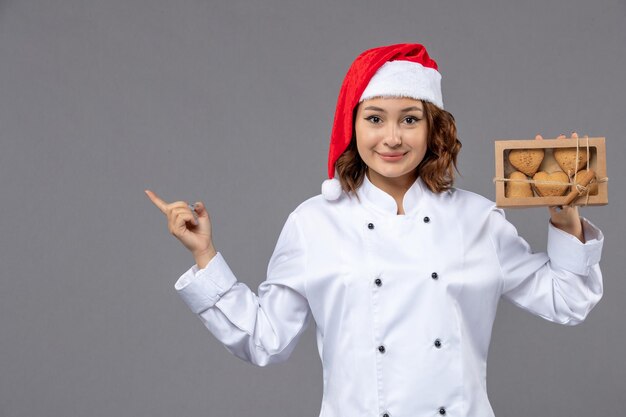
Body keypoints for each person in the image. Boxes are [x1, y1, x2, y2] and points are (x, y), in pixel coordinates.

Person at [145, 43, 604, 417]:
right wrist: (205, 256)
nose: (392, 137)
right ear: (353, 125)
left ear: (433, 129)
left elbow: (567, 301)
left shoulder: (476, 219)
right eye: (374, 118)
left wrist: (564, 218)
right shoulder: (314, 223)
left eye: (409, 118)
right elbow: (266, 340)